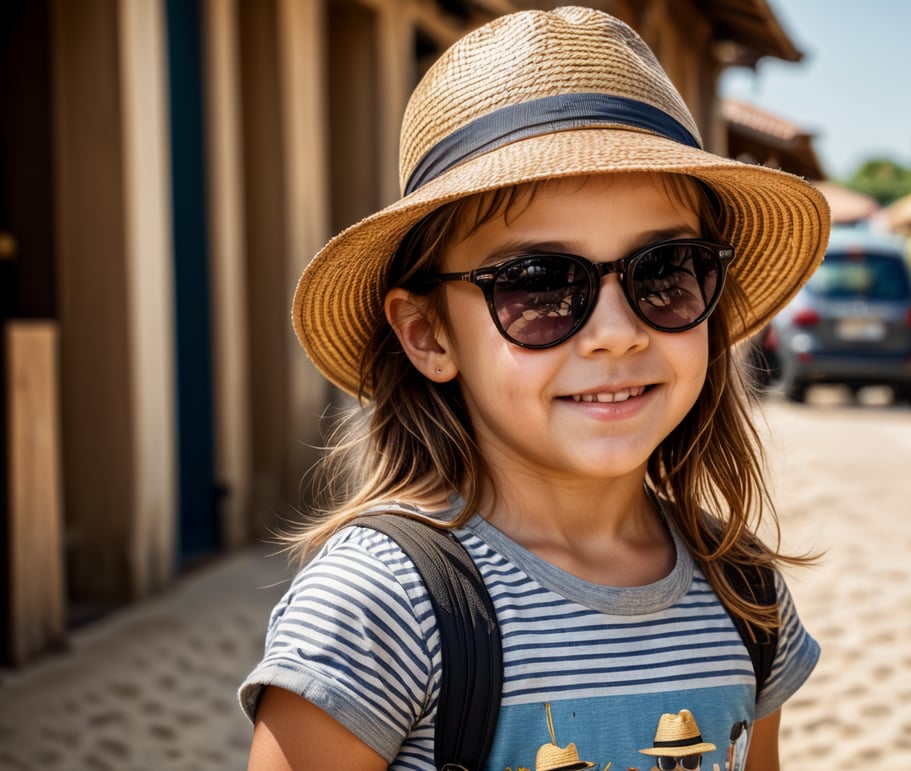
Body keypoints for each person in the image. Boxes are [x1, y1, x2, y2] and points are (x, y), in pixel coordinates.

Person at [239, 7, 829, 770]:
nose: (617, 332)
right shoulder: (379, 608)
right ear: (429, 334)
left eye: (665, 270)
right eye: (540, 284)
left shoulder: (743, 591)